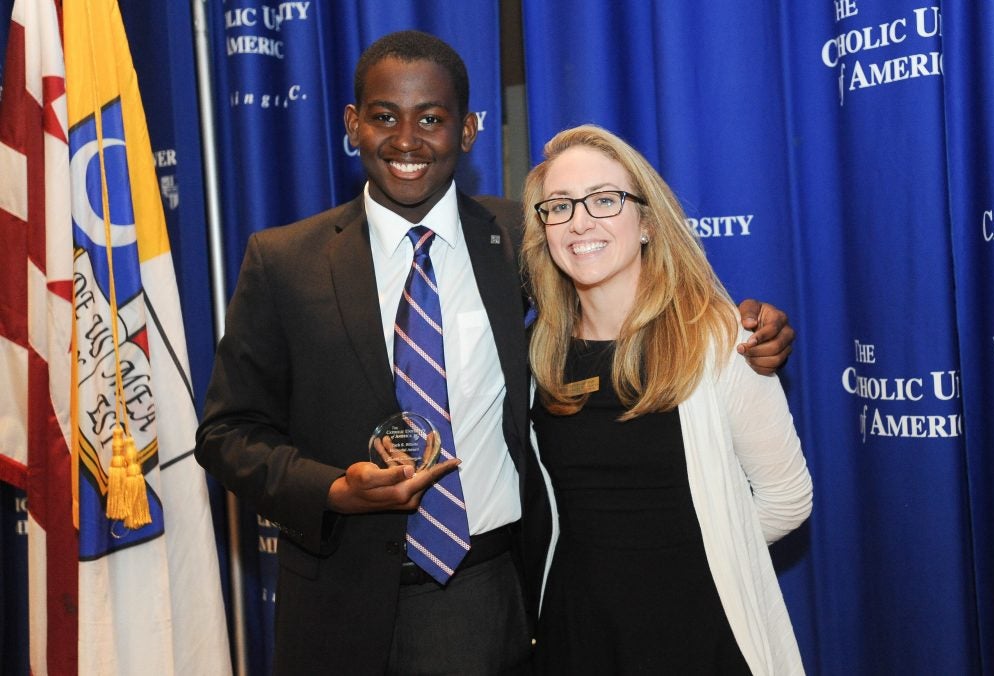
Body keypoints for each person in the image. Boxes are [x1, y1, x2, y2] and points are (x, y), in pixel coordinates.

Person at [196, 32, 795, 675]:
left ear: (469, 130)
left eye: (431, 118)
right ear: (353, 123)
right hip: (336, 600)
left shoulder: (525, 237)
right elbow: (228, 433)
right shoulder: (285, 260)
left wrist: (749, 327)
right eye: (383, 117)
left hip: (483, 595)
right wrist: (334, 491)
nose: (406, 140)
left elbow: (626, 288)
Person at [521, 125, 813, 675]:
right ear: (544, 229)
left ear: (648, 221)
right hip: (577, 634)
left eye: (605, 200)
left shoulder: (720, 340)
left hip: (697, 632)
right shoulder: (538, 354)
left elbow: (787, 499)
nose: (580, 221)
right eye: (558, 206)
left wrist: (705, 549)